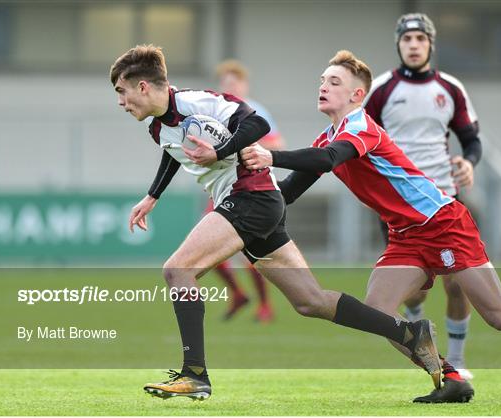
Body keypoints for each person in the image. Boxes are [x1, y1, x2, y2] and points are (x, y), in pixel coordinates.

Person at [110, 44, 443, 402]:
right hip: (255, 203)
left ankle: (194, 374)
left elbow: (257, 123)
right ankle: (410, 333)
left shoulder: (198, 102)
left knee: (178, 270)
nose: (120, 102)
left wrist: (219, 152)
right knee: (311, 301)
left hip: (251, 196)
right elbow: (172, 152)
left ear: (143, 86)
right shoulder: (157, 128)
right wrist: (153, 196)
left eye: (121, 91)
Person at [240, 49, 501, 403]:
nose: (323, 86)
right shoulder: (328, 136)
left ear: (357, 95)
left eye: (334, 81)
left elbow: (327, 160)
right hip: (406, 236)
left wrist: (271, 156)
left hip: (443, 223)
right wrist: (240, 196)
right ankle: (451, 377)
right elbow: (288, 191)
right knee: (378, 312)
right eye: (322, 80)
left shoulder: (361, 125)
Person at [363, 13, 483, 380]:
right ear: (398, 45)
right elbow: (359, 140)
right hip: (401, 208)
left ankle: (458, 359)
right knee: (412, 294)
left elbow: (471, 139)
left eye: (420, 38)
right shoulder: (382, 89)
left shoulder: (450, 88)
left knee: (458, 283)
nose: (413, 44)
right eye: (407, 39)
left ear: (431, 43)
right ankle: (424, 341)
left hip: (446, 200)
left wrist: (469, 162)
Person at [206, 59, 286, 322]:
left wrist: (247, 144)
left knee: (248, 253)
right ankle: (238, 293)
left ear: (244, 84)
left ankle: (264, 305)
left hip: (249, 187)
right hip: (221, 187)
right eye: (226, 82)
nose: (230, 86)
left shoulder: (255, 111)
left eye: (234, 82)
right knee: (206, 248)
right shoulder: (215, 112)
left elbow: (277, 143)